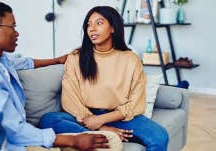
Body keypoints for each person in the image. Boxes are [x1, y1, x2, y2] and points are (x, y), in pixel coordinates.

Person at [0, 1, 110, 151]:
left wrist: (57, 60)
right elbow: (12, 128)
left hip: (20, 137)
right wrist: (73, 140)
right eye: (12, 26)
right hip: (3, 144)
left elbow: (25, 63)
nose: (16, 33)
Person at [39, 6, 169, 151]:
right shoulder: (76, 57)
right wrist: (99, 125)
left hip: (118, 117)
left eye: (99, 23)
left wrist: (101, 120)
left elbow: (136, 103)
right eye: (89, 24)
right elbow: (70, 99)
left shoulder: (130, 59)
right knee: (49, 119)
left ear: (113, 28)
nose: (92, 29)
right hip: (83, 118)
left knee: (159, 136)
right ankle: (104, 137)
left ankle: (98, 138)